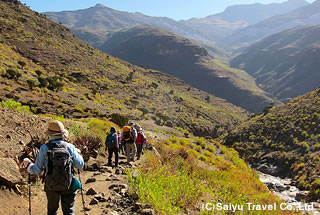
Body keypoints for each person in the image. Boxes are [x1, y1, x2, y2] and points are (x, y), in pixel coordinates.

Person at [22, 120, 84, 215]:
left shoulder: (44, 148)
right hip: (68, 183)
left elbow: (37, 171)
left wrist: (28, 165)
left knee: (52, 211)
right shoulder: (70, 147)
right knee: (69, 211)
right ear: (62, 133)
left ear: (49, 134)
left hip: (51, 184)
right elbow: (80, 165)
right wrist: (78, 154)